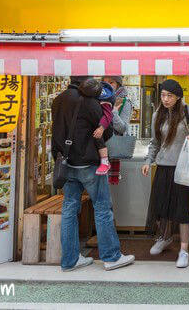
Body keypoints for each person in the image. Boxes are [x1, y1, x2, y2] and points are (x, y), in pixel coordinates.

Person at [51, 76, 135, 272]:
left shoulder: (58, 100)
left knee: (69, 210)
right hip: (89, 164)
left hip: (67, 163)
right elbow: (106, 131)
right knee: (102, 207)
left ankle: (70, 260)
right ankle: (111, 257)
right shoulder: (90, 102)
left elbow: (56, 131)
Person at [141, 79, 189, 268]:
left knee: (182, 208)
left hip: (183, 167)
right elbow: (155, 142)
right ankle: (164, 238)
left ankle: (184, 250)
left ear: (178, 97)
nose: (165, 99)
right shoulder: (158, 114)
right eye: (163, 95)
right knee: (162, 207)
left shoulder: (187, 110)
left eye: (170, 96)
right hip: (163, 166)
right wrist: (148, 161)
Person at [80, 76, 134, 175]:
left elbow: (122, 128)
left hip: (111, 146)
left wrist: (114, 113)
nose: (107, 85)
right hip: (96, 146)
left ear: (118, 84)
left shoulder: (125, 102)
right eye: (104, 82)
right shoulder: (98, 98)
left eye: (111, 82)